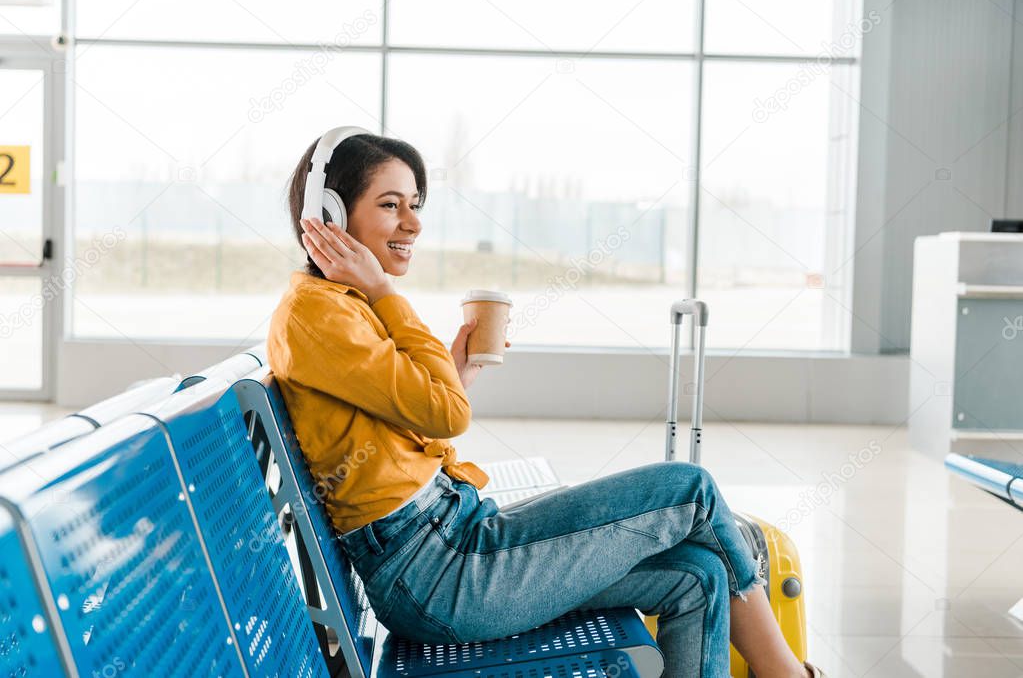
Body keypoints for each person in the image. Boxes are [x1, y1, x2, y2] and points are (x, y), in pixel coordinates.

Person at [266, 132, 825, 678]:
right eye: (391, 205)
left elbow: (410, 429)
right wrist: (391, 300)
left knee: (697, 575)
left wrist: (456, 374)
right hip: (442, 574)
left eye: (415, 205)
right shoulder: (321, 313)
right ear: (330, 216)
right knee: (690, 491)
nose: (412, 223)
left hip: (446, 547)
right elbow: (445, 415)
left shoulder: (343, 309)